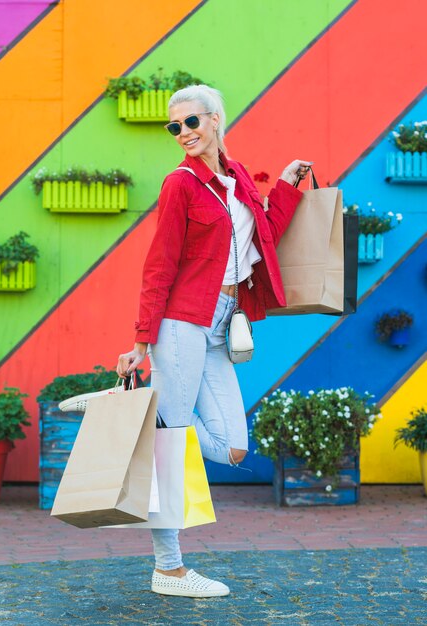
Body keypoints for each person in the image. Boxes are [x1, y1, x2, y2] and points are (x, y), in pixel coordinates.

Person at [116, 84, 310, 598]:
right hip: (180, 323)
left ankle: (158, 418)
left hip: (223, 323)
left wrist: (286, 186)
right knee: (172, 446)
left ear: (217, 119)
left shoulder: (237, 177)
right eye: (173, 126)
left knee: (233, 447)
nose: (183, 133)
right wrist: (142, 340)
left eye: (191, 122)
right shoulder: (179, 185)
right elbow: (159, 266)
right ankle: (169, 567)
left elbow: (264, 232)